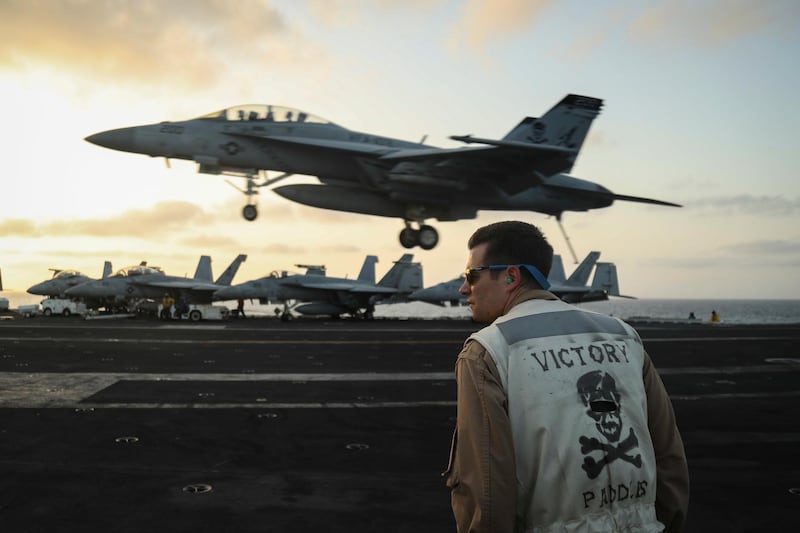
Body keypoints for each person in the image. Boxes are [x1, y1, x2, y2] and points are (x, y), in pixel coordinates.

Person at [444, 221, 689, 533]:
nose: (464, 288)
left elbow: (487, 488)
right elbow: (668, 456)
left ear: (510, 276)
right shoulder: (624, 337)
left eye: (471, 275)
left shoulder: (488, 351)